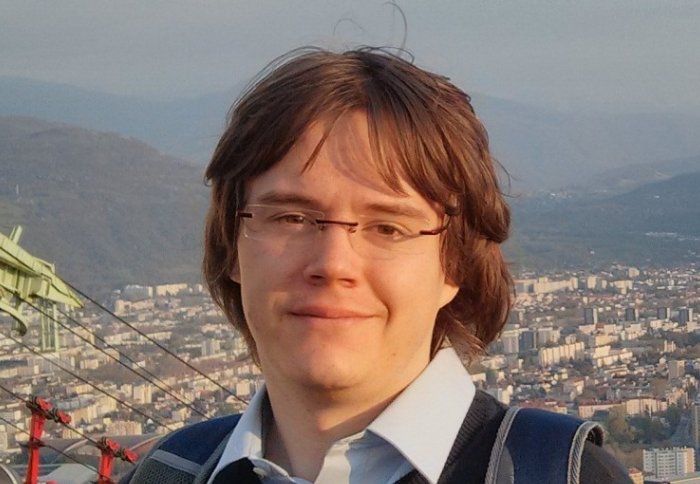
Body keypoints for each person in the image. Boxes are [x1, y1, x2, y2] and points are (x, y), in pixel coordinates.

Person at [123, 47, 631, 483]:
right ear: (232, 245)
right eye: (292, 218)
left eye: (388, 227)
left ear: (454, 265)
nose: (332, 263)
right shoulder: (167, 472)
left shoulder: (556, 472)